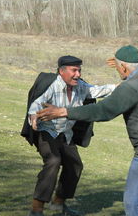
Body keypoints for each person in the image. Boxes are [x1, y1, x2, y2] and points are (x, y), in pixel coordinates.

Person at [36, 45, 138, 216]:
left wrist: (63, 111)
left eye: (120, 67)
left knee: (134, 202)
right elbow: (128, 77)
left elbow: (102, 110)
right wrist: (123, 64)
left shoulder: (130, 88)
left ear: (124, 67)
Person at [23, 55, 116, 216]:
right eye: (74, 70)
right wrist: (33, 116)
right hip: (47, 132)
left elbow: (96, 90)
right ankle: (36, 209)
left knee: (75, 165)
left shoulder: (80, 86)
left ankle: (58, 204)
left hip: (66, 134)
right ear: (62, 71)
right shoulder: (52, 85)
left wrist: (121, 86)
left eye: (79, 70)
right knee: (53, 161)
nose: (78, 74)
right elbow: (37, 104)